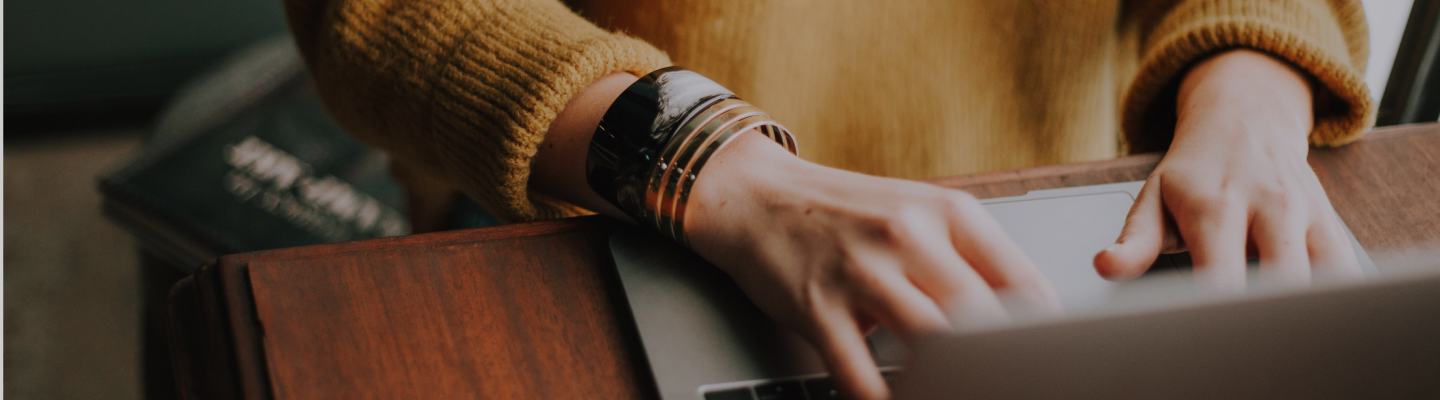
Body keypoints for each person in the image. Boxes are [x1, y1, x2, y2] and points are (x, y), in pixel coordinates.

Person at [281, 0, 1375, 398]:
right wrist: (717, 166)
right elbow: (373, 13)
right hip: (601, 222)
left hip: (1053, 233)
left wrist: (1250, 85)